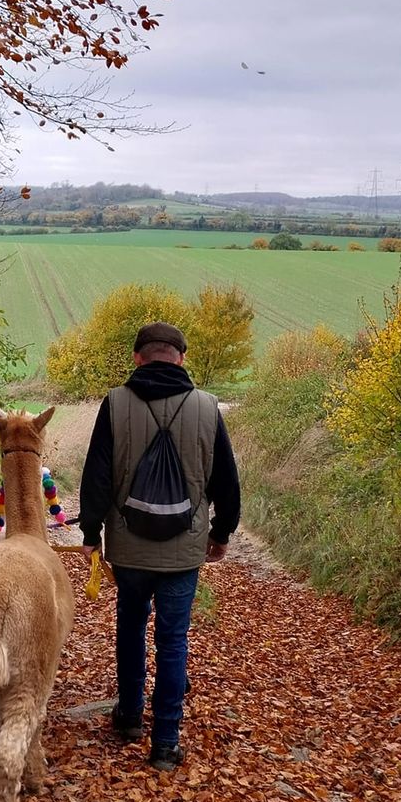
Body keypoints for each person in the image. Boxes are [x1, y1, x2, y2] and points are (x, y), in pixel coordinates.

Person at [78, 321, 241, 771]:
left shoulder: (114, 404)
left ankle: (129, 717)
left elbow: (97, 477)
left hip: (129, 549)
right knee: (173, 640)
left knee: (131, 629)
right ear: (181, 358)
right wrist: (221, 534)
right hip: (183, 549)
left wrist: (91, 535)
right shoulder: (207, 408)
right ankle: (165, 743)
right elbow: (226, 481)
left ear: (137, 358)